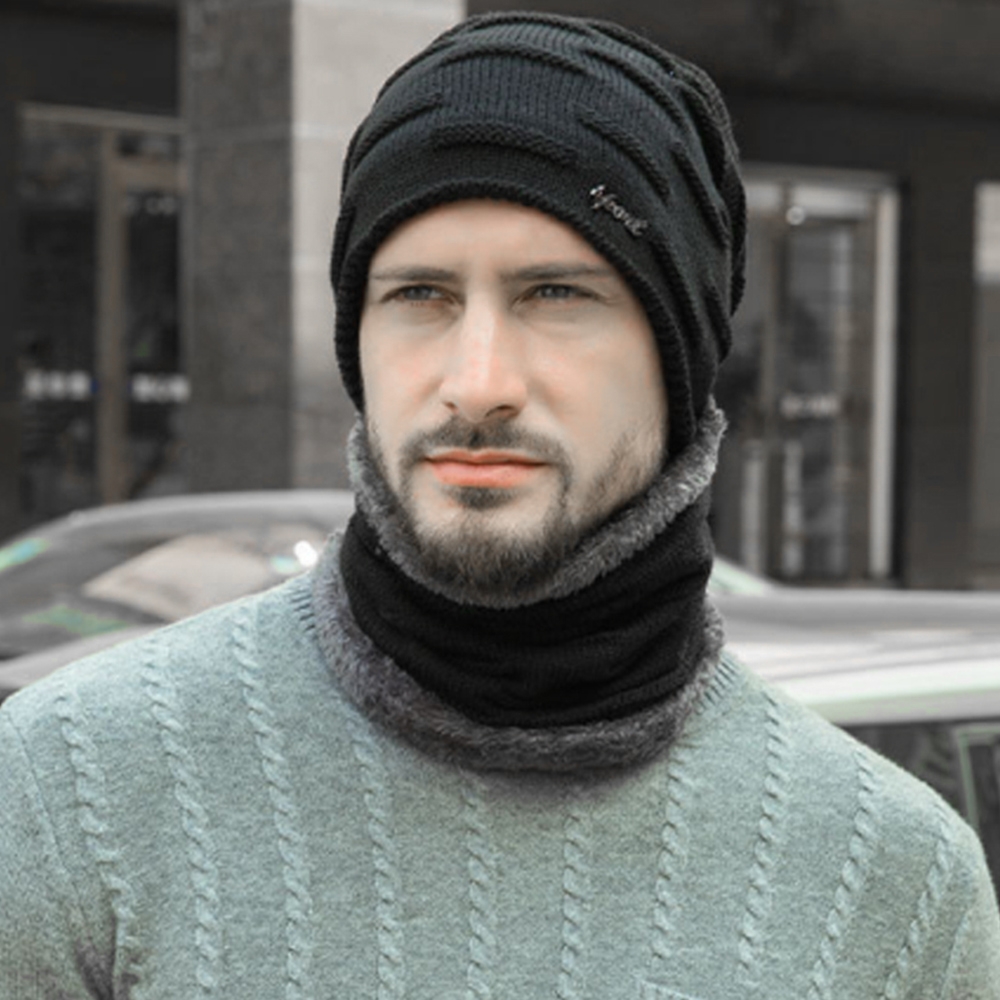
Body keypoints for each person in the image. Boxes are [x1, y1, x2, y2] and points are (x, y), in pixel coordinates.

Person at [2, 12, 998, 998]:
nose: (477, 384)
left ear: (680, 359)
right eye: (419, 295)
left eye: (556, 294)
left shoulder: (897, 886)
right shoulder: (71, 791)